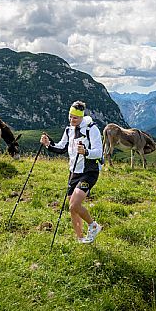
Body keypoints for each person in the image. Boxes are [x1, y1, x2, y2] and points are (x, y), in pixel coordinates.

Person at [40, 101, 103, 243]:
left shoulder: (91, 129)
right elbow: (62, 147)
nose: (71, 120)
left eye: (75, 117)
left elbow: (99, 152)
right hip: (73, 172)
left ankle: (93, 226)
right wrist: (48, 144)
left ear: (81, 117)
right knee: (72, 208)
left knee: (75, 204)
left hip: (89, 171)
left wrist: (86, 152)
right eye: (70, 116)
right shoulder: (69, 130)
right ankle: (81, 239)